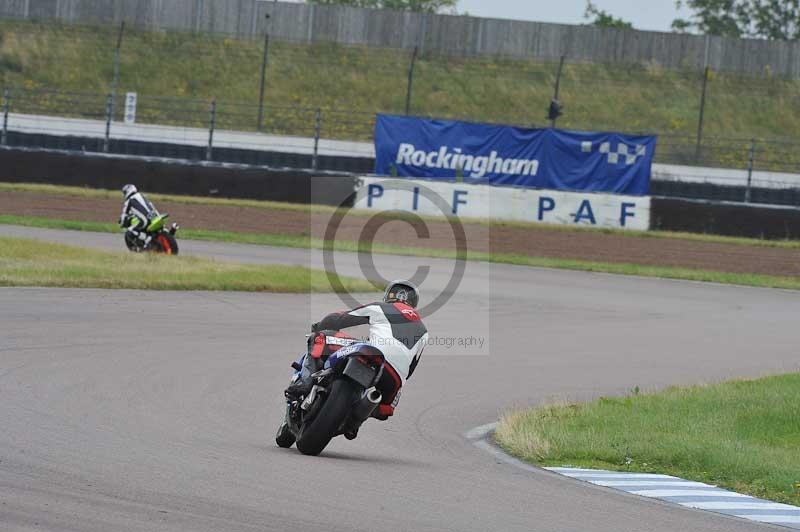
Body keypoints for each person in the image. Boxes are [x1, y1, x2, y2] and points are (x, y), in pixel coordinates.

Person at [285, 279, 428, 419]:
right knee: (383, 411)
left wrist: (320, 326)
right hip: (394, 379)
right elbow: (410, 369)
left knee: (319, 337)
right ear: (414, 302)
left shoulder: (380, 307)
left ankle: (305, 382)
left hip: (374, 355)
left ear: (389, 295)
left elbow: (338, 319)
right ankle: (354, 421)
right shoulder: (424, 331)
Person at [119, 184, 158, 248]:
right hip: (155, 216)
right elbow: (151, 205)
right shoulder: (143, 195)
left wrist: (122, 223)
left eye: (125, 192)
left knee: (129, 232)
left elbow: (124, 214)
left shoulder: (129, 201)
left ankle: (147, 239)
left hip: (145, 220)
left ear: (128, 191)